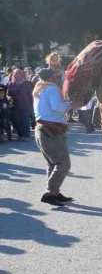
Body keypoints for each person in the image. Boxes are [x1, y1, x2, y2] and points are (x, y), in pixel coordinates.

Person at [32, 68, 73, 206]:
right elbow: (57, 106)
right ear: (52, 77)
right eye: (56, 75)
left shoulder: (39, 88)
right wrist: (70, 105)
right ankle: (50, 193)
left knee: (52, 163)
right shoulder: (51, 89)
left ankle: (54, 192)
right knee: (63, 164)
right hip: (51, 130)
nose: (57, 77)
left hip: (42, 128)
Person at [7, 68, 34, 141]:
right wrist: (10, 98)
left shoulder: (26, 83)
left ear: (21, 74)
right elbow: (8, 94)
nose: (17, 74)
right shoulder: (10, 83)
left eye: (19, 73)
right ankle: (20, 134)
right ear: (13, 74)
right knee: (16, 121)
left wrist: (32, 104)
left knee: (25, 120)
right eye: (16, 73)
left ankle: (25, 136)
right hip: (15, 105)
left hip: (26, 104)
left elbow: (31, 94)